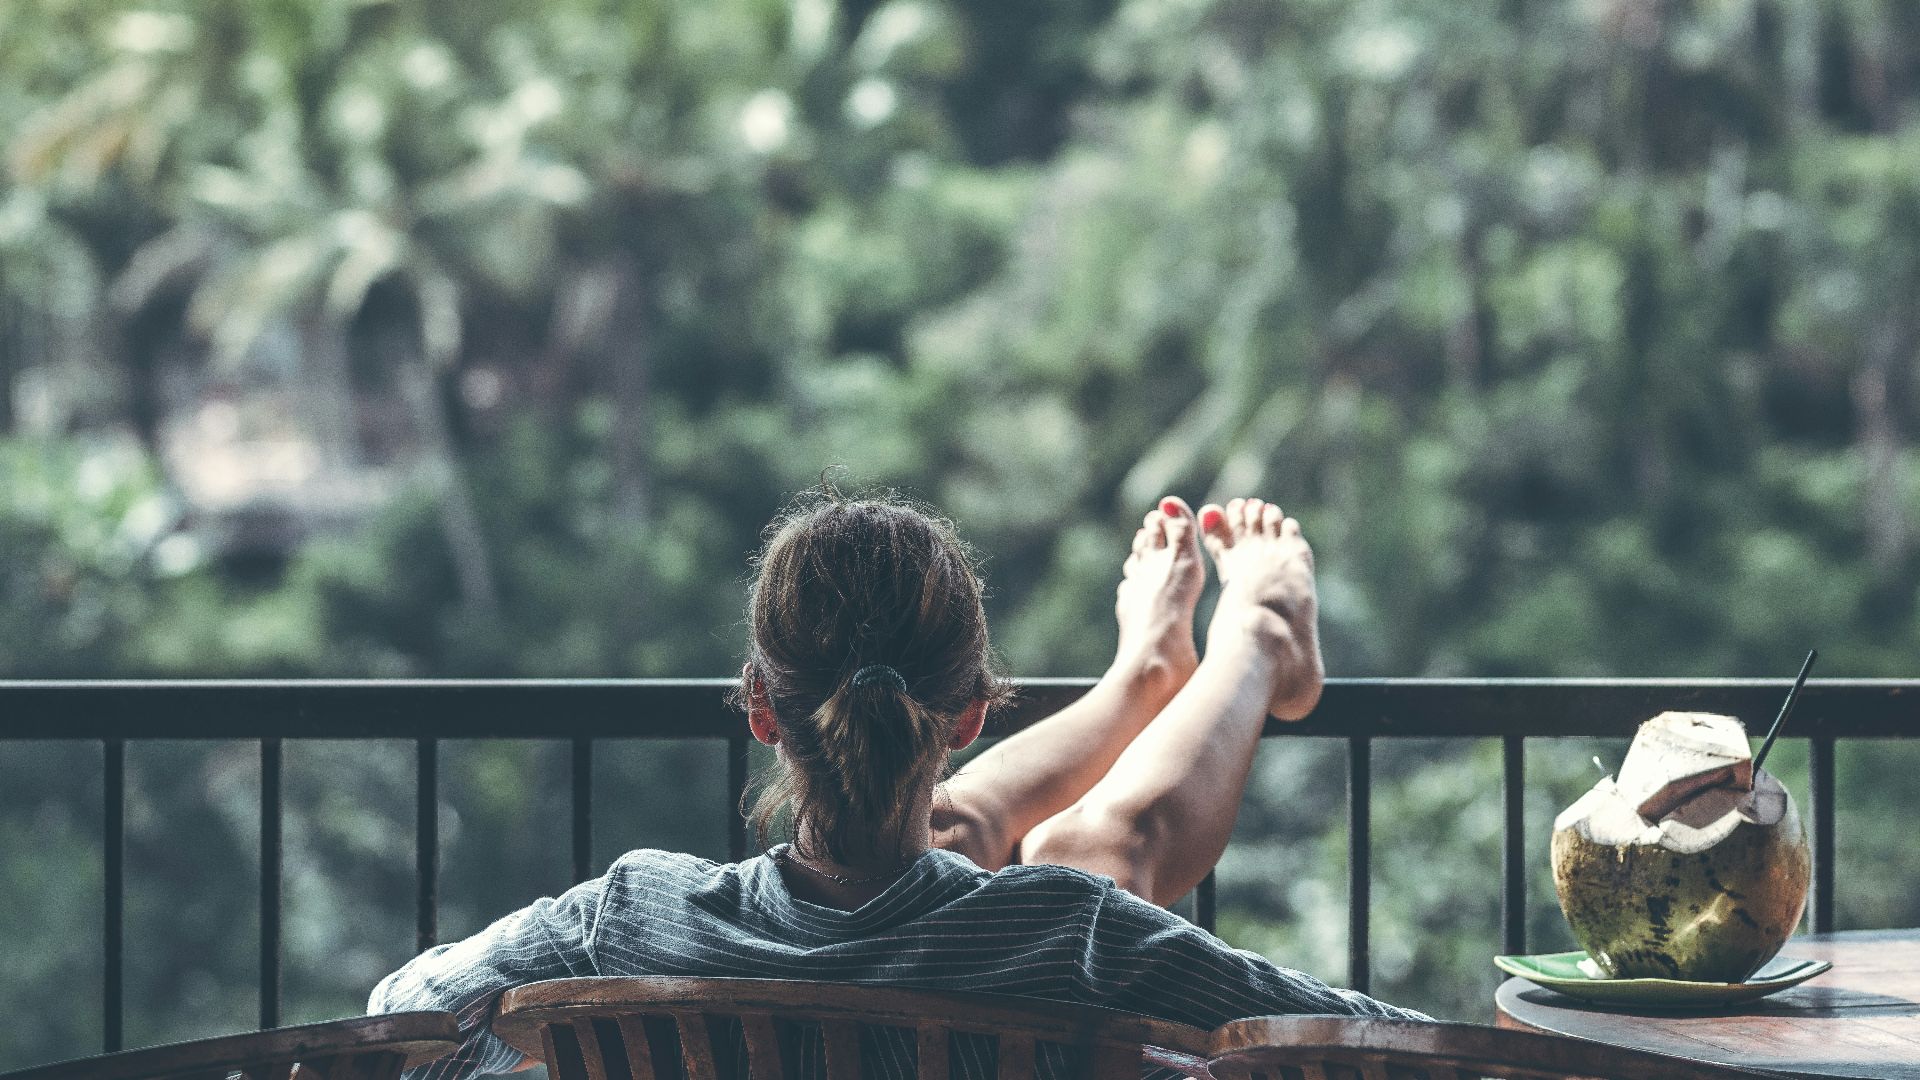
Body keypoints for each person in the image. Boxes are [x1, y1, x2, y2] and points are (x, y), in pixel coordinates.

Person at [369, 488, 1423, 1080]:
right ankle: (1245, 635)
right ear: (969, 715)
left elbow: (401, 1017)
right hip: (1015, 921)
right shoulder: (1073, 935)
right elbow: (1376, 1050)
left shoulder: (630, 919)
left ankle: (1153, 675)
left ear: (759, 708)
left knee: (1019, 856)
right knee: (1074, 855)